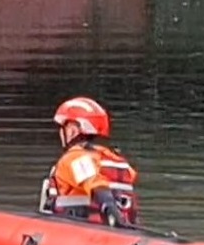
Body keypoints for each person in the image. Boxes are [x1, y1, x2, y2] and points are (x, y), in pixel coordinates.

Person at [40, 96, 138, 227]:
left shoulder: (74, 157)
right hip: (121, 233)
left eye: (63, 128)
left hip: (80, 232)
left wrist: (111, 210)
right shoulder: (117, 160)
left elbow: (96, 184)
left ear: (72, 130)